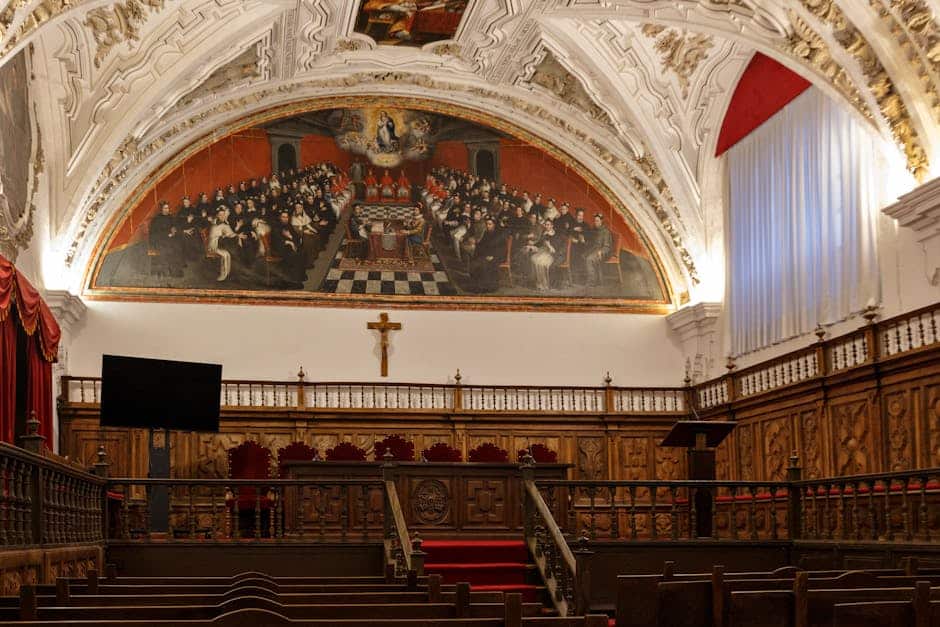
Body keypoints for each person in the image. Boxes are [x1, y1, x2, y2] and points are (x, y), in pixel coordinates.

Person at [207, 207, 243, 282]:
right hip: (214, 245)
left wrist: (236, 235)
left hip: (220, 243)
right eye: (220, 215)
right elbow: (215, 235)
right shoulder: (215, 223)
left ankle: (227, 274)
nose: (222, 216)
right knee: (225, 254)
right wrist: (225, 236)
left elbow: (230, 233)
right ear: (217, 216)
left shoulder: (224, 223)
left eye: (223, 215)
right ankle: (223, 275)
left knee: (228, 254)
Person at [148, 201, 184, 276]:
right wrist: (168, 235)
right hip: (159, 240)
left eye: (168, 208)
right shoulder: (157, 219)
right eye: (165, 208)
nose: (167, 210)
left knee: (177, 247)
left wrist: (174, 230)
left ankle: (175, 270)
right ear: (161, 209)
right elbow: (155, 233)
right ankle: (167, 270)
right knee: (168, 248)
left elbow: (175, 226)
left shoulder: (171, 217)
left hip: (169, 239)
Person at [584, 213, 613, 287]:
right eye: (595, 221)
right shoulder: (596, 230)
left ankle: (592, 282)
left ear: (601, 221)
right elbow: (592, 242)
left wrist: (601, 252)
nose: (595, 222)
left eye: (597, 221)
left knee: (589, 259)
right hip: (595, 250)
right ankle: (594, 278)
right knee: (583, 256)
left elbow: (607, 247)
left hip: (604, 253)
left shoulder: (606, 232)